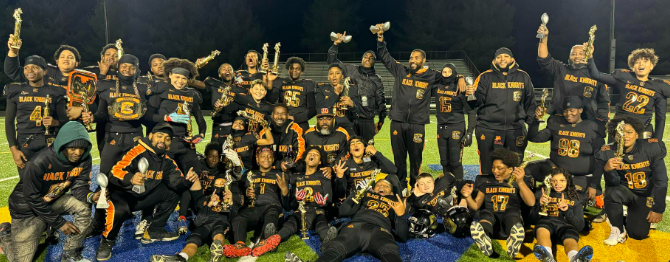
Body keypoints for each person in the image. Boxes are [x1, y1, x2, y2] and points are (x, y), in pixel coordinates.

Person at [374, 23, 465, 191]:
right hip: (398, 122)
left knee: (416, 158)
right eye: (411, 57)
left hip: (417, 124)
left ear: (423, 60)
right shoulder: (401, 70)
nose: (412, 60)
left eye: (416, 58)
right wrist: (380, 38)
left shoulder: (432, 75)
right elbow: (384, 56)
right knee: (399, 157)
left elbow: (448, 76)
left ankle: (415, 185)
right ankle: (401, 185)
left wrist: (460, 77)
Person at [96, 123, 197, 261]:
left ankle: (155, 230)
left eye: (167, 138)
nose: (162, 140)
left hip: (144, 197)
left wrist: (187, 181)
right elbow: (114, 172)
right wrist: (130, 178)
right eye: (159, 136)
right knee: (119, 211)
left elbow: (176, 184)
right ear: (150, 136)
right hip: (123, 196)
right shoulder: (136, 150)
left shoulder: (167, 161)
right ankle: (107, 240)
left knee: (173, 192)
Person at [0, 121, 96, 262]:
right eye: (72, 148)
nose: (78, 152)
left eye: (82, 148)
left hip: (53, 200)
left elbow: (80, 187)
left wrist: (92, 196)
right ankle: (5, 234)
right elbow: (31, 198)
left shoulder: (84, 159)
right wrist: (59, 223)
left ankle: (70, 253)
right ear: (63, 145)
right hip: (27, 209)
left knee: (84, 206)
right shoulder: (38, 162)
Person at [146, 58, 207, 227]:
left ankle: (199, 211)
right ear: (170, 75)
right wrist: (166, 118)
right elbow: (148, 116)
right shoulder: (161, 91)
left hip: (185, 142)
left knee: (193, 175)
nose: (180, 81)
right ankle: (150, 218)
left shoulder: (192, 94)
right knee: (160, 178)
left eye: (184, 79)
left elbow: (200, 119)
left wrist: (200, 134)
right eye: (177, 77)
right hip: (165, 143)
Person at [285, 179, 408, 262]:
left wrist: (401, 216)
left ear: (391, 191)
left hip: (380, 231)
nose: (381, 187)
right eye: (379, 185)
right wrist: (355, 194)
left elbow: (402, 236)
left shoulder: (398, 202)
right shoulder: (365, 194)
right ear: (373, 188)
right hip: (356, 227)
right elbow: (343, 212)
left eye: (386, 186)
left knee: (390, 250)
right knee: (336, 248)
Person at [254, 146, 337, 257]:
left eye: (316, 154)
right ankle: (274, 242)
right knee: (289, 225)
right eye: (310, 154)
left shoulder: (324, 176)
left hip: (317, 212)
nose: (312, 155)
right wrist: (284, 191)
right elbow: (289, 206)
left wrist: (321, 201)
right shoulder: (295, 177)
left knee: (321, 225)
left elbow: (329, 199)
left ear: (320, 161)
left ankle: (327, 243)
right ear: (305, 159)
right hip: (299, 212)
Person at [595, 115, 666, 245]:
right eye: (620, 133)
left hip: (645, 195)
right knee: (612, 192)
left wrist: (658, 209)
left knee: (638, 234)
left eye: (629, 132)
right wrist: (608, 170)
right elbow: (613, 184)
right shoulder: (609, 151)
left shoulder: (650, 149)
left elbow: (661, 181)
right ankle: (617, 230)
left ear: (637, 134)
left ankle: (626, 217)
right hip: (625, 191)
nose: (625, 136)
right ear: (614, 135)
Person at [465, 48, 537, 175]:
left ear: (512, 59)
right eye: (499, 57)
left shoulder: (523, 76)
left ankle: (514, 192)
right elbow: (476, 103)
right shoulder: (485, 76)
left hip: (515, 129)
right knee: (488, 163)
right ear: (494, 60)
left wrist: (532, 125)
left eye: (505, 56)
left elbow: (530, 103)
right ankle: (487, 190)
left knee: (515, 165)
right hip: (488, 128)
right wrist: (471, 95)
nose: (502, 59)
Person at [536, 24, 609, 144]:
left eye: (581, 53)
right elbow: (544, 59)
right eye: (573, 54)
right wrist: (544, 38)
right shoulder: (561, 69)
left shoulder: (596, 75)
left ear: (587, 54)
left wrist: (602, 120)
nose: (577, 57)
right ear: (569, 56)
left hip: (587, 121)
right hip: (561, 120)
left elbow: (603, 101)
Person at [461, 148, 536, 258]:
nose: (495, 171)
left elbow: (531, 202)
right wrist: (467, 197)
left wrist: (520, 182)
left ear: (510, 169)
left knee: (512, 213)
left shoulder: (518, 182)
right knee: (486, 213)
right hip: (491, 224)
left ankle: (513, 239)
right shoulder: (486, 182)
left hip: (510, 224)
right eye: (493, 167)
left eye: (499, 168)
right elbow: (475, 206)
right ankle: (484, 237)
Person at [83, 54, 148, 175]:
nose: (127, 70)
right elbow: (102, 114)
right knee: (105, 170)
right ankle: (104, 192)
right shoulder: (107, 86)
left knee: (137, 170)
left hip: (135, 135)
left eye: (131, 67)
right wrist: (93, 118)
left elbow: (147, 116)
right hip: (113, 135)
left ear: (136, 69)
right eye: (124, 66)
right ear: (118, 67)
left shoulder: (143, 88)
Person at [150, 175, 240, 262]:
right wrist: (209, 205)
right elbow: (198, 221)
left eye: (223, 184)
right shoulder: (204, 199)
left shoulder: (232, 198)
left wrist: (231, 203)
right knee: (194, 238)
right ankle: (181, 257)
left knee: (218, 230)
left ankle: (217, 248)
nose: (221, 186)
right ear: (213, 186)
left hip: (221, 222)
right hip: (205, 223)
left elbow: (234, 220)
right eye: (218, 184)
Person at [587, 47, 670, 140]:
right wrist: (590, 56)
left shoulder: (659, 87)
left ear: (651, 66)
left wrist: (657, 140)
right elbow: (596, 75)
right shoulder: (624, 78)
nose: (641, 64)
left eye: (645, 61)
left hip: (643, 130)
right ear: (633, 67)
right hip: (619, 127)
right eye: (637, 62)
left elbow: (661, 117)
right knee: (614, 153)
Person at [527, 96, 600, 200]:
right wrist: (536, 121)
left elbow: (600, 160)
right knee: (527, 170)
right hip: (555, 171)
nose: (568, 114)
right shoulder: (556, 123)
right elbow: (534, 138)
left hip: (579, 176)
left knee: (571, 202)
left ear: (580, 110)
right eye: (565, 111)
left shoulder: (591, 127)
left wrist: (594, 185)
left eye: (572, 110)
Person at [4, 55, 68, 171]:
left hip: (49, 142)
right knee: (27, 183)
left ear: (44, 72)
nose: (29, 71)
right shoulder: (15, 91)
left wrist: (55, 122)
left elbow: (65, 121)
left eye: (34, 67)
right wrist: (14, 150)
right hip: (25, 143)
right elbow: (9, 122)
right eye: (26, 68)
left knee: (50, 183)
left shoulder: (55, 91)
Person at [224, 147, 289, 258]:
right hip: (253, 208)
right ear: (257, 159)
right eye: (263, 156)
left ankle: (265, 241)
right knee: (238, 219)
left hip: (271, 207)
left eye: (269, 156)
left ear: (273, 159)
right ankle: (240, 245)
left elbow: (287, 204)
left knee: (271, 215)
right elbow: (240, 194)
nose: (266, 158)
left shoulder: (280, 175)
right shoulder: (249, 174)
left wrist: (284, 189)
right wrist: (246, 194)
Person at [328, 32, 387, 141]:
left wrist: (381, 121)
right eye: (365, 56)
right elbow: (332, 62)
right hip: (348, 118)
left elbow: (381, 102)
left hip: (367, 120)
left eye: (371, 58)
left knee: (367, 153)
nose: (367, 59)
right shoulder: (351, 70)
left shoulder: (377, 80)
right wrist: (335, 44)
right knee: (347, 150)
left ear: (374, 61)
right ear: (362, 58)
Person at [531, 168, 593, 262]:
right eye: (554, 181)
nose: (557, 184)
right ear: (549, 182)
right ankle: (548, 258)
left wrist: (567, 211)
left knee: (569, 235)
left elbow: (579, 226)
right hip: (546, 224)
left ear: (568, 181)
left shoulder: (575, 197)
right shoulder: (542, 193)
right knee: (542, 228)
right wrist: (539, 206)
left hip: (566, 226)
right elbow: (531, 220)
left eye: (562, 180)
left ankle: (574, 258)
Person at [433, 63, 475, 180]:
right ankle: (448, 188)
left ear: (454, 73)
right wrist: (461, 76)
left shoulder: (460, 87)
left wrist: (470, 132)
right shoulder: (437, 85)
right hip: (441, 127)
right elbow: (430, 72)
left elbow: (471, 111)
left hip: (456, 126)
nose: (446, 75)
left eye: (449, 72)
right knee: (444, 162)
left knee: (455, 162)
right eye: (444, 72)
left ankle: (458, 188)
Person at [190, 63, 246, 144]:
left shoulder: (240, 90)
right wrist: (195, 67)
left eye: (229, 68)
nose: (227, 70)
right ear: (219, 75)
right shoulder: (214, 84)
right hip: (218, 126)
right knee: (214, 152)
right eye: (224, 68)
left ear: (234, 74)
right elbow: (191, 82)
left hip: (235, 127)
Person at [333, 136, 399, 199]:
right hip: (355, 200)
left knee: (393, 178)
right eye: (352, 144)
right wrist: (339, 178)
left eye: (359, 143)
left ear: (365, 148)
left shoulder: (372, 161)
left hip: (373, 197)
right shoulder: (344, 165)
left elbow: (393, 170)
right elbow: (340, 195)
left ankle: (399, 204)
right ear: (350, 151)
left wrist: (376, 153)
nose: (355, 145)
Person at [5, 35, 81, 88]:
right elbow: (13, 72)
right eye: (62, 57)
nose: (66, 59)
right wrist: (13, 51)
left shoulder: (84, 79)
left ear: (76, 63)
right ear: (57, 61)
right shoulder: (45, 71)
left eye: (70, 57)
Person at [268, 57, 317, 131]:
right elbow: (271, 100)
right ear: (288, 70)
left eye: (298, 68)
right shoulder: (280, 82)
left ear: (301, 71)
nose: (294, 70)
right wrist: (270, 82)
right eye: (292, 68)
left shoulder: (308, 85)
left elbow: (312, 110)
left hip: (300, 124)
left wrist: (295, 118)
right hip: (283, 122)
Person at [315, 64, 360, 135]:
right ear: (328, 77)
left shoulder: (351, 90)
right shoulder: (321, 88)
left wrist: (353, 105)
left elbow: (358, 115)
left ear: (342, 76)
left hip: (347, 129)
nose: (334, 76)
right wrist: (336, 93)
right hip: (328, 128)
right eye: (331, 73)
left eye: (337, 73)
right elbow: (319, 108)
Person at [269, 104, 306, 171]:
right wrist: (278, 165)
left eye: (283, 114)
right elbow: (261, 155)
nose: (279, 117)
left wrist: (289, 164)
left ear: (288, 115)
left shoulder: (295, 129)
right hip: (271, 169)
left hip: (291, 169)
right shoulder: (266, 129)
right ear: (272, 115)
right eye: (277, 113)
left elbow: (300, 152)